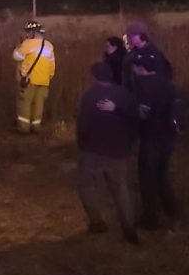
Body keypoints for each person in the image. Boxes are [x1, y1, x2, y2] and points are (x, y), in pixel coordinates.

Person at [77, 62, 139, 244]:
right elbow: (134, 120)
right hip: (118, 151)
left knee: (87, 186)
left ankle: (96, 222)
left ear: (95, 77)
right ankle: (129, 228)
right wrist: (129, 145)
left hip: (93, 150)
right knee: (121, 189)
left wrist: (82, 143)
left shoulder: (89, 96)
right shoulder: (124, 94)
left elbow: (83, 125)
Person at [131, 50, 182, 230]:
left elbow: (142, 113)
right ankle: (174, 210)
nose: (134, 69)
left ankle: (150, 218)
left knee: (147, 179)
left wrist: (126, 113)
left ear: (141, 68)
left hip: (151, 139)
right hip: (168, 139)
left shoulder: (145, 86)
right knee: (162, 176)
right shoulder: (169, 84)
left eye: (136, 66)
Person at [13, 21, 56, 134]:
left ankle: (24, 127)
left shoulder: (28, 44)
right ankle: (36, 126)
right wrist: (50, 76)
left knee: (25, 103)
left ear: (33, 33)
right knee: (39, 104)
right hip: (44, 80)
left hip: (30, 80)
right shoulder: (49, 45)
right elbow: (52, 65)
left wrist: (19, 46)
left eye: (28, 32)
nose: (27, 34)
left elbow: (16, 56)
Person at [121, 22, 172, 92]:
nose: (130, 39)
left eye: (132, 36)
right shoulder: (131, 54)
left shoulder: (154, 53)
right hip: (133, 92)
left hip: (150, 93)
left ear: (141, 36)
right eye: (129, 36)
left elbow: (164, 73)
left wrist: (146, 74)